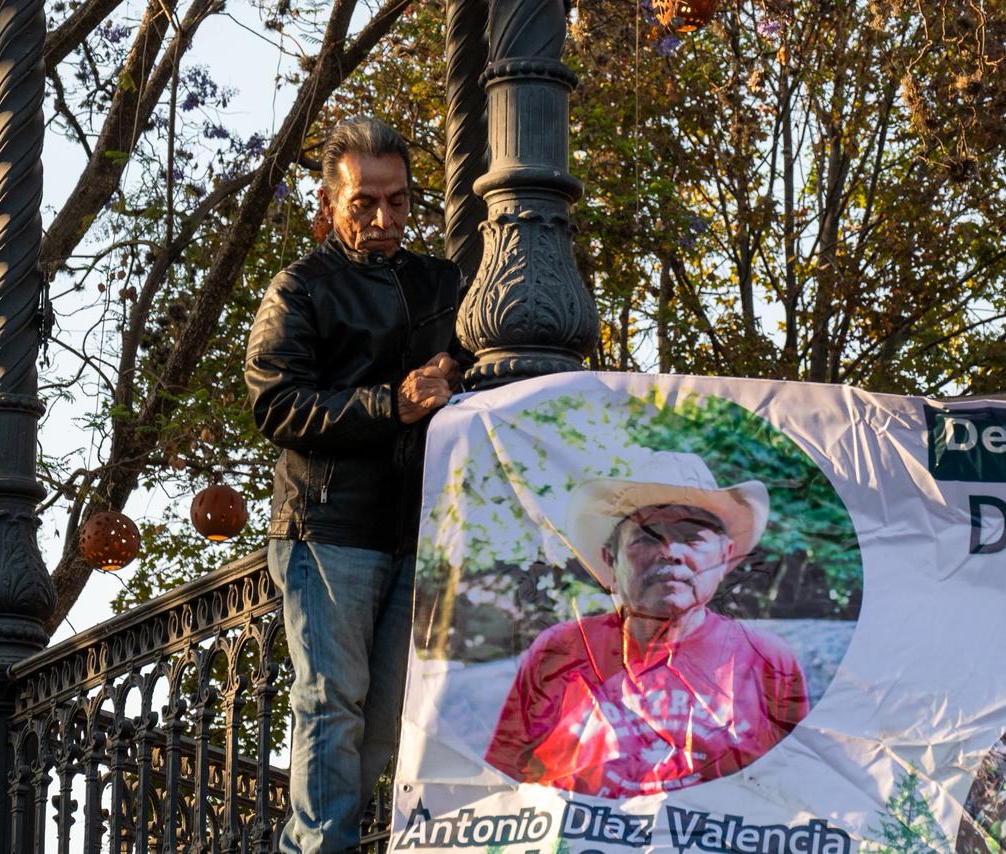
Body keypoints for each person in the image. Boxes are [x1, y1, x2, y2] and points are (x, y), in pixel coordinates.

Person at [245, 115, 465, 853]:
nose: (383, 217)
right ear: (329, 203)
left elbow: (481, 370)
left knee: (384, 723)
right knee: (329, 707)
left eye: (397, 201)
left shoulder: (442, 282)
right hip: (326, 529)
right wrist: (390, 403)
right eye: (364, 202)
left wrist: (457, 373)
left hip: (417, 532)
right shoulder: (300, 288)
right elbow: (275, 403)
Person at [485, 450, 809, 799]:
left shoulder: (767, 662)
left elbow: (797, 791)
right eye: (647, 537)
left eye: (692, 537)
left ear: (725, 555)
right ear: (611, 560)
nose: (670, 552)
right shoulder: (559, 652)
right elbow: (501, 785)